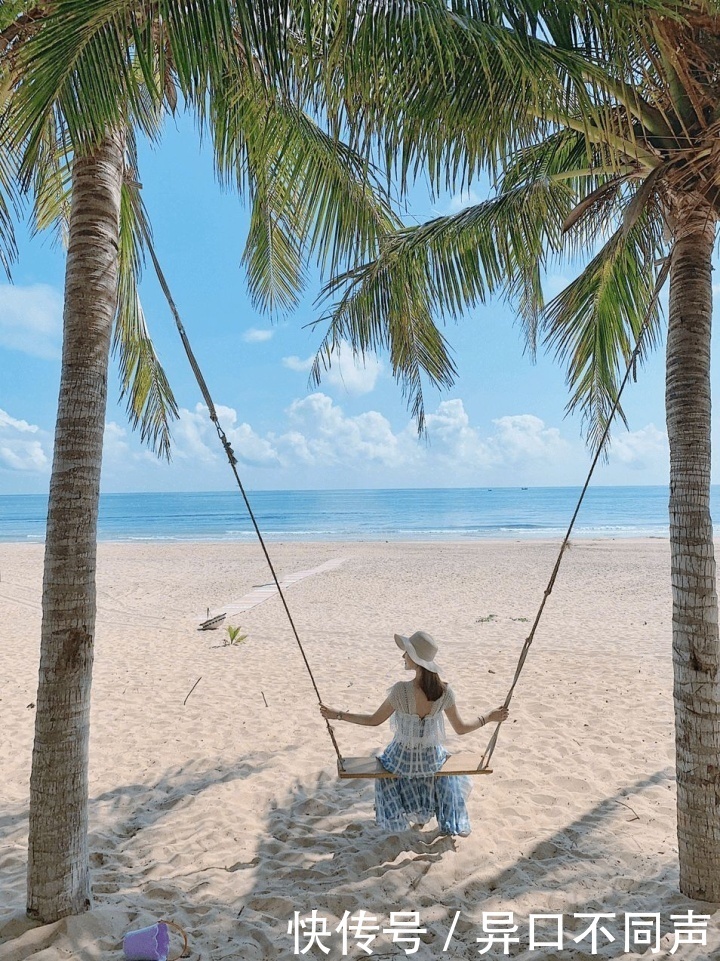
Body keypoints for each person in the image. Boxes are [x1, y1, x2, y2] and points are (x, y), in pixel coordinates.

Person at [320, 630, 509, 836]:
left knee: (386, 764)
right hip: (431, 761)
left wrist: (337, 715)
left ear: (416, 660)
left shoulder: (401, 691)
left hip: (400, 760)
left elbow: (373, 721)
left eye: (407, 652)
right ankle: (433, 814)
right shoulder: (445, 692)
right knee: (443, 762)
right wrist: (489, 717)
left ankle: (405, 813)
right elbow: (461, 729)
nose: (403, 656)